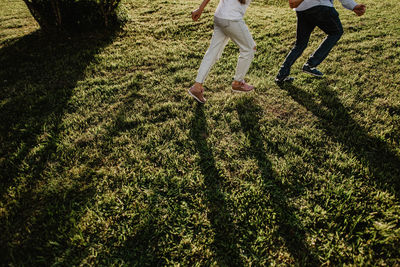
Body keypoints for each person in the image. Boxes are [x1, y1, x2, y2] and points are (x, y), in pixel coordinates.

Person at [275, 0, 366, 83]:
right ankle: (310, 64)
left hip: (302, 10)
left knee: (300, 44)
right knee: (336, 32)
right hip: (321, 6)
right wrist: (353, 6)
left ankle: (281, 75)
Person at [188, 0, 256, 104]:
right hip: (232, 19)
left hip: (220, 17)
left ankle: (196, 87)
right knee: (249, 48)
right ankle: (238, 82)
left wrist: (200, 8)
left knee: (212, 53)